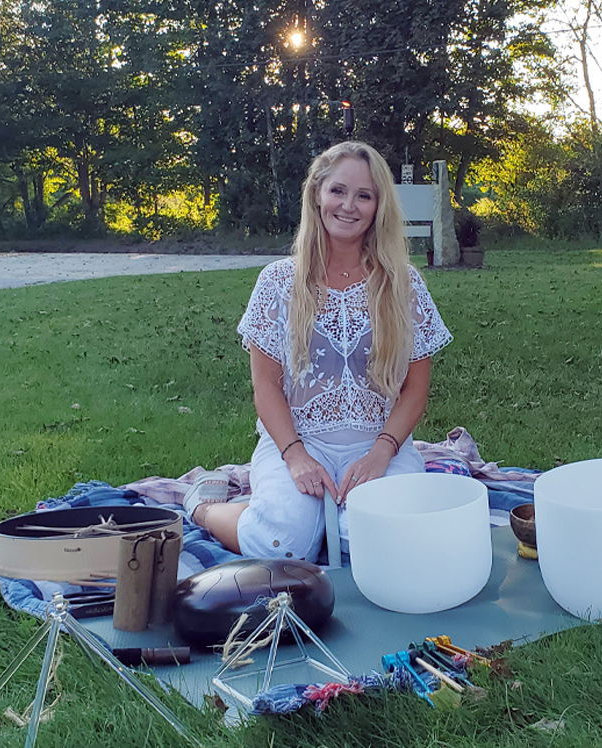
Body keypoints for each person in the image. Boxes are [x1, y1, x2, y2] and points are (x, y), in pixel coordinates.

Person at [190, 141, 452, 563]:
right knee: (282, 546)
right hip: (297, 440)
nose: (349, 205)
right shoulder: (278, 282)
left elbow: (415, 390)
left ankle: (333, 523)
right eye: (338, 191)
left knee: (377, 543)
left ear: (378, 206)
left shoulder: (403, 283)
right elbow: (266, 388)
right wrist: (295, 458)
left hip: (379, 441)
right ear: (316, 193)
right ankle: (204, 508)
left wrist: (381, 454)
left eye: (364, 195)